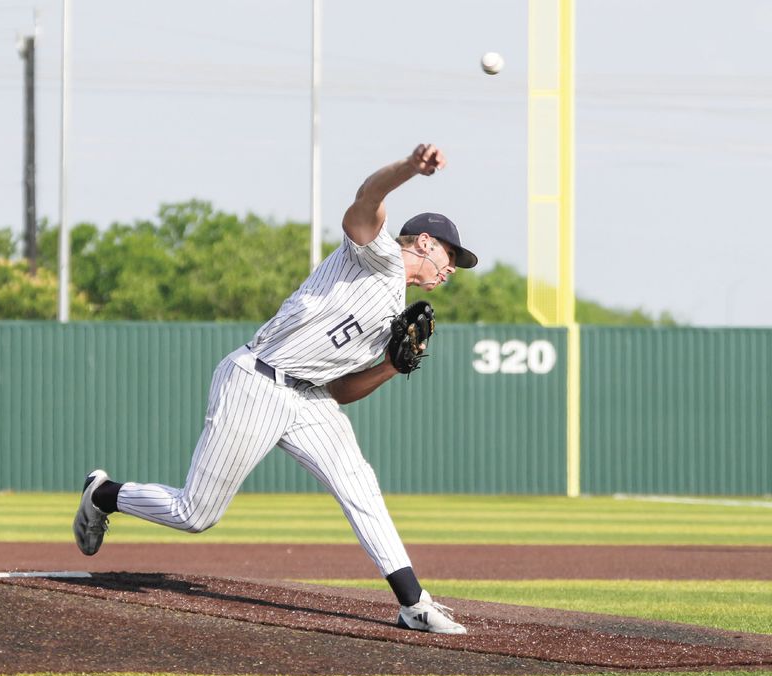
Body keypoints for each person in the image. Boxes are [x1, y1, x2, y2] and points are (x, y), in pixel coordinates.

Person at [73, 142, 478, 633]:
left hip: (308, 398)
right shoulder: (378, 257)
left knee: (360, 487)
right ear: (425, 243)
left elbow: (341, 392)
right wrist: (411, 168)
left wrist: (391, 366)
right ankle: (104, 494)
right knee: (195, 513)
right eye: (451, 255)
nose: (452, 268)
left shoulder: (393, 314)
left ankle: (414, 604)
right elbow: (367, 199)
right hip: (256, 380)